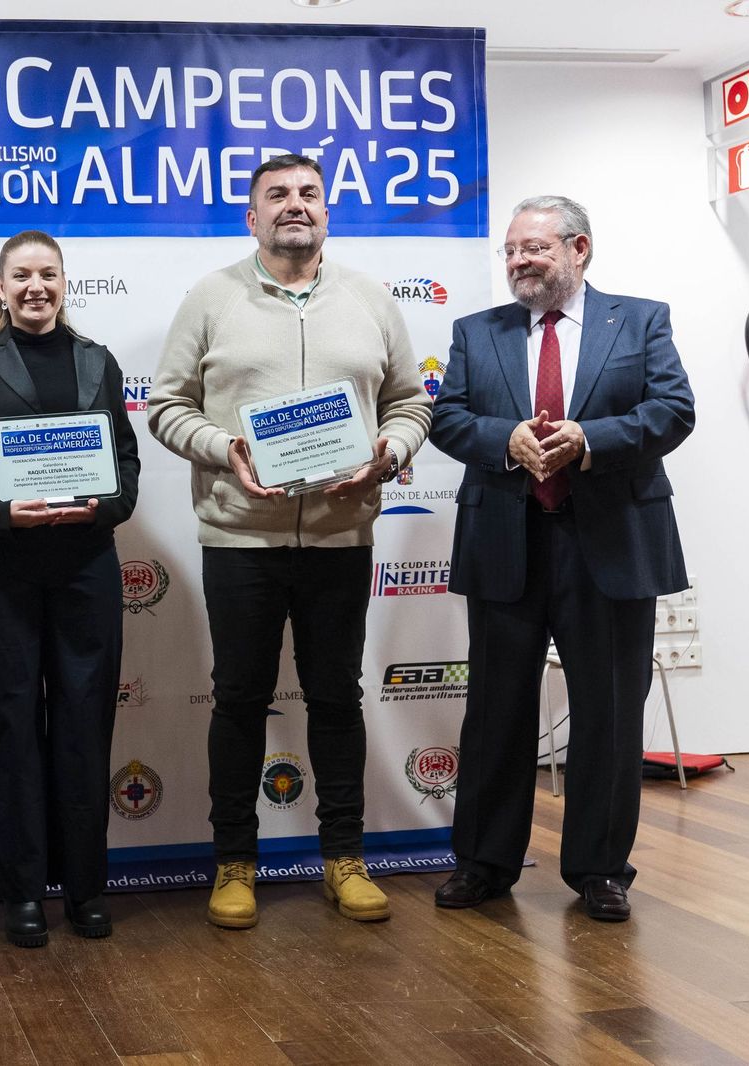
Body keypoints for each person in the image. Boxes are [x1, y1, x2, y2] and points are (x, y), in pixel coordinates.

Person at [149, 154, 431, 930]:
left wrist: (391, 452)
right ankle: (234, 863)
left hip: (342, 538)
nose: (294, 205)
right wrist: (223, 448)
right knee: (238, 700)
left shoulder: (371, 301)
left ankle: (344, 857)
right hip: (241, 540)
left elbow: (411, 403)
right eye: (277, 195)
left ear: (327, 212)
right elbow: (167, 406)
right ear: (252, 216)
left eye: (308, 193)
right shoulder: (211, 298)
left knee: (337, 698)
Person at [429, 195, 693, 922]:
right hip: (506, 543)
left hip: (608, 546)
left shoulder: (641, 320)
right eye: (512, 251)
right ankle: (484, 863)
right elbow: (448, 417)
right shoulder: (475, 332)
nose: (519, 262)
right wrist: (503, 439)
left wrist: (591, 439)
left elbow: (673, 409)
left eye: (535, 249)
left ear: (579, 249)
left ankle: (601, 870)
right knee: (497, 711)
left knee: (609, 714)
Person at [0, 230, 139, 948]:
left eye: (47, 274)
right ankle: (20, 889)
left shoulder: (97, 362)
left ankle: (84, 888)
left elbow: (128, 463)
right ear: (0, 285)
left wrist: (105, 504)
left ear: (64, 281)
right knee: (10, 726)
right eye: (21, 276)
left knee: (84, 726)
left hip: (86, 567)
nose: (35, 287)